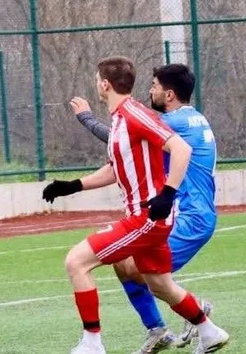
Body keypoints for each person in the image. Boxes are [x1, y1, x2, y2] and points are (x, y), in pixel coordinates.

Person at [44, 57, 230, 354]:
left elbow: (177, 147)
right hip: (167, 214)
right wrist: (72, 186)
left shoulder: (139, 116)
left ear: (104, 84)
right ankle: (207, 329)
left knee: (77, 261)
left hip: (158, 214)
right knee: (158, 284)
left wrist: (167, 194)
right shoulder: (128, 118)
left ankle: (93, 343)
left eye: (155, 86)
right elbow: (118, 162)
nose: (151, 90)